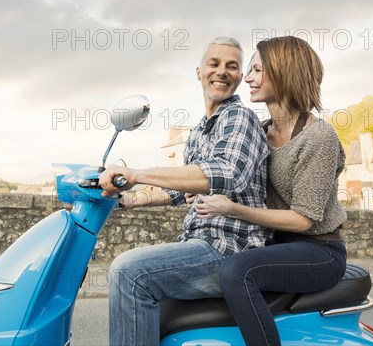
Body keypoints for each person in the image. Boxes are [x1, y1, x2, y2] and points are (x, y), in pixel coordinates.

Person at [99, 36, 271, 346]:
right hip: (200, 243)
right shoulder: (199, 132)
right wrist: (124, 200)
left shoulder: (239, 118)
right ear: (198, 71)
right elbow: (181, 191)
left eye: (232, 66)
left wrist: (136, 173)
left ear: (239, 77)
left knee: (129, 271)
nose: (222, 72)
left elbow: (226, 173)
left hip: (230, 248)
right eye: (214, 64)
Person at [194, 36, 347, 346]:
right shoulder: (261, 132)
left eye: (257, 70)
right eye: (249, 70)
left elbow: (304, 220)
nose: (247, 78)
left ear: (283, 72)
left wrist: (231, 208)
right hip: (274, 243)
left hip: (319, 251)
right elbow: (226, 175)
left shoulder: (318, 136)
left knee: (237, 271)